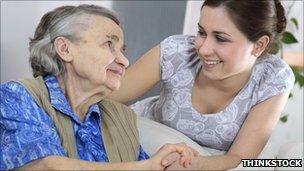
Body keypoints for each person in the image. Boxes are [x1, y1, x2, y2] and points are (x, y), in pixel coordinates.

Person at [0, 5, 198, 170]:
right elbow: (42, 166)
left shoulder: (122, 117)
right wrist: (145, 167)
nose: (124, 61)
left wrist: (168, 162)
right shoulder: (18, 96)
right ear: (65, 49)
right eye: (109, 44)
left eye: (122, 50)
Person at [109, 0, 295, 169]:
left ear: (259, 45)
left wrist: (190, 164)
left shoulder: (273, 78)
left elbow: (239, 157)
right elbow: (107, 93)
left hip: (203, 161)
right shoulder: (177, 51)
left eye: (221, 39)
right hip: (142, 139)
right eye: (201, 32)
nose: (203, 49)